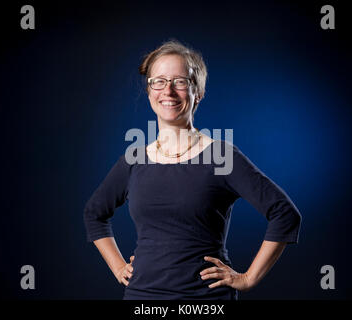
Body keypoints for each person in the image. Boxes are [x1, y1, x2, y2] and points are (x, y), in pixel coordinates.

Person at [83, 40, 302, 300]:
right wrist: (118, 266)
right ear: (150, 89)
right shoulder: (134, 160)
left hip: (206, 300)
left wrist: (247, 278)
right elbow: (94, 214)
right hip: (143, 298)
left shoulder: (221, 156)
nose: (169, 91)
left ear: (198, 92)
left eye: (180, 81)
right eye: (159, 81)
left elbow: (285, 214)